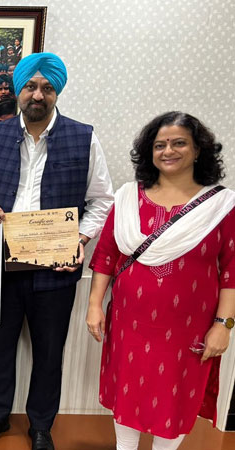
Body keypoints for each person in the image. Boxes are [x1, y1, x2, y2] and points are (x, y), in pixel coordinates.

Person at [0, 53, 114, 450]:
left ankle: (41, 426)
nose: (38, 95)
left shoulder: (83, 137)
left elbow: (102, 200)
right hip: (0, 264)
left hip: (56, 267)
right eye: (30, 86)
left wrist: (80, 239)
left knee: (49, 351)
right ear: (19, 90)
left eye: (47, 88)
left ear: (56, 92)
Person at [86, 112, 235, 450]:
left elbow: (231, 271)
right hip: (130, 323)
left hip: (188, 329)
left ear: (198, 150)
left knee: (176, 396)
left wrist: (223, 326)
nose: (168, 151)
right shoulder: (128, 198)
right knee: (128, 392)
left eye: (179, 143)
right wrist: (94, 305)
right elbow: (106, 255)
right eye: (159, 145)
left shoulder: (221, 205)